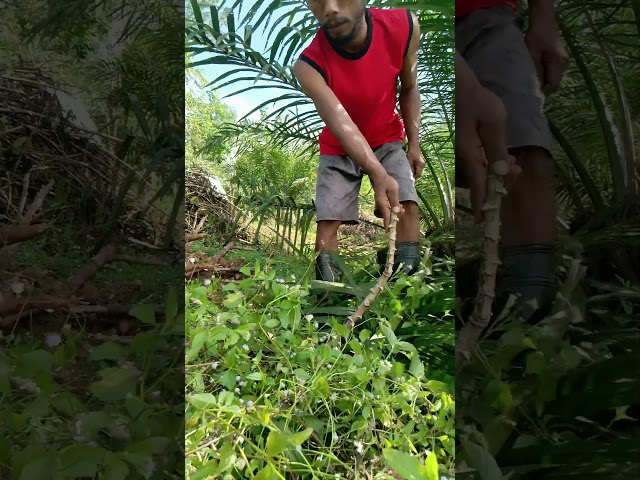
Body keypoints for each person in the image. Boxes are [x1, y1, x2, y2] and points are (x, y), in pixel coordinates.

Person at [293, 0, 424, 282]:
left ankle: (406, 285)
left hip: (387, 137)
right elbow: (340, 122)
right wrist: (378, 173)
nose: (329, 8)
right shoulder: (308, 65)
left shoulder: (405, 27)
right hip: (338, 146)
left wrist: (414, 145)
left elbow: (410, 87)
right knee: (327, 222)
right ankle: (329, 298)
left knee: (407, 204)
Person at [455, 0, 569, 322]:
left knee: (520, 145)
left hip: (485, 13)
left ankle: (528, 313)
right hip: (419, 30)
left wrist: (543, 17)